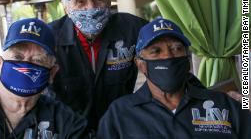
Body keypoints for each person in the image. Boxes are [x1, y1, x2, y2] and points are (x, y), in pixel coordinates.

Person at [97, 18, 251, 139]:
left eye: (176, 49)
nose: (168, 56)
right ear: (140, 64)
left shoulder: (225, 105)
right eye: (156, 51)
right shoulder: (120, 114)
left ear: (187, 59)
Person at [0, 18, 89, 139]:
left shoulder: (66, 123)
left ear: (52, 73)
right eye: (17, 57)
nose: (25, 65)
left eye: (38, 60)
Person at [49, 0, 147, 130]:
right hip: (70, 132)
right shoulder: (50, 37)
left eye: (99, 0)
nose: (90, 8)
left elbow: (169, 54)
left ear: (110, 0)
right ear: (65, 6)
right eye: (80, 1)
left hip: (120, 128)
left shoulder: (131, 28)